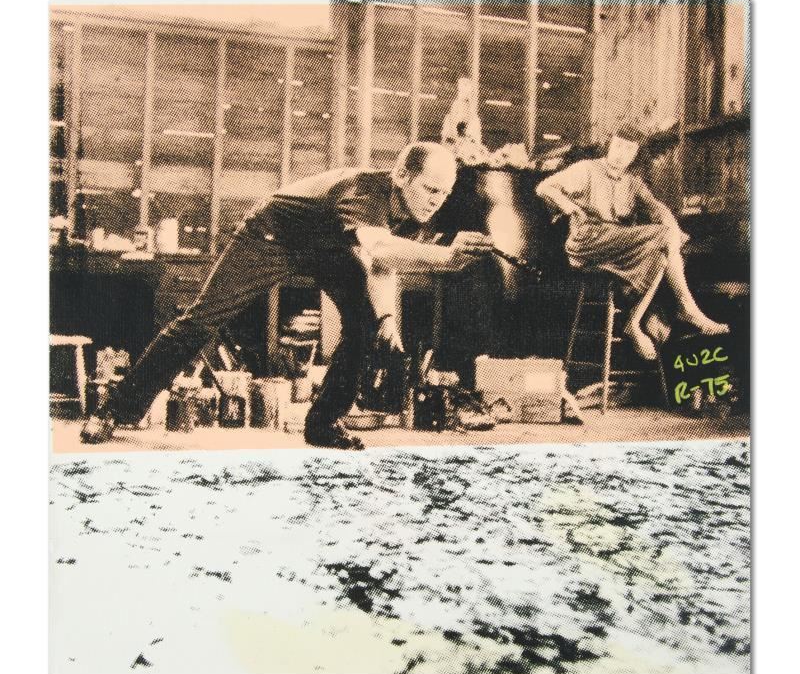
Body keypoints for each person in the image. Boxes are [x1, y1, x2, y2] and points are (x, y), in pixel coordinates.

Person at [80, 142, 494, 449]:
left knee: (365, 325)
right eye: (430, 189)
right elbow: (381, 248)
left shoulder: (412, 209)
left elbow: (381, 266)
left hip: (328, 248)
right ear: (401, 176)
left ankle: (323, 423)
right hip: (273, 236)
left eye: (443, 194)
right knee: (202, 321)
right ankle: (115, 409)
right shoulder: (366, 191)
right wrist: (446, 257)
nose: (435, 202)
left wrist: (386, 319)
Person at [536, 125, 728, 360]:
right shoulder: (586, 169)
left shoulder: (633, 182)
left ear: (635, 155)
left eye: (628, 150)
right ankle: (686, 307)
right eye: (617, 146)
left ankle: (634, 323)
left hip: (617, 246)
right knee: (664, 237)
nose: (620, 154)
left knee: (660, 256)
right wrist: (569, 206)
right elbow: (544, 187)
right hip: (587, 242)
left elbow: (658, 208)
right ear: (609, 145)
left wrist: (674, 229)